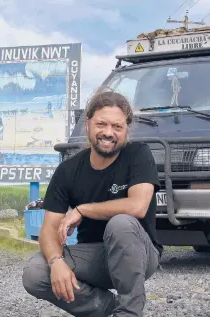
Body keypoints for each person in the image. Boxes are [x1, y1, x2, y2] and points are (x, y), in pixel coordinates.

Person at [22, 91, 163, 316]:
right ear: (88, 124)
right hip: (96, 256)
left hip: (138, 254)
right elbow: (48, 228)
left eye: (117, 127)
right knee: (36, 273)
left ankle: (130, 312)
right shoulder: (68, 170)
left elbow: (137, 206)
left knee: (120, 224)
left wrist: (83, 209)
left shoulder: (138, 154)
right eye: (101, 124)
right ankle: (107, 308)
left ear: (126, 129)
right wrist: (57, 261)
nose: (108, 133)